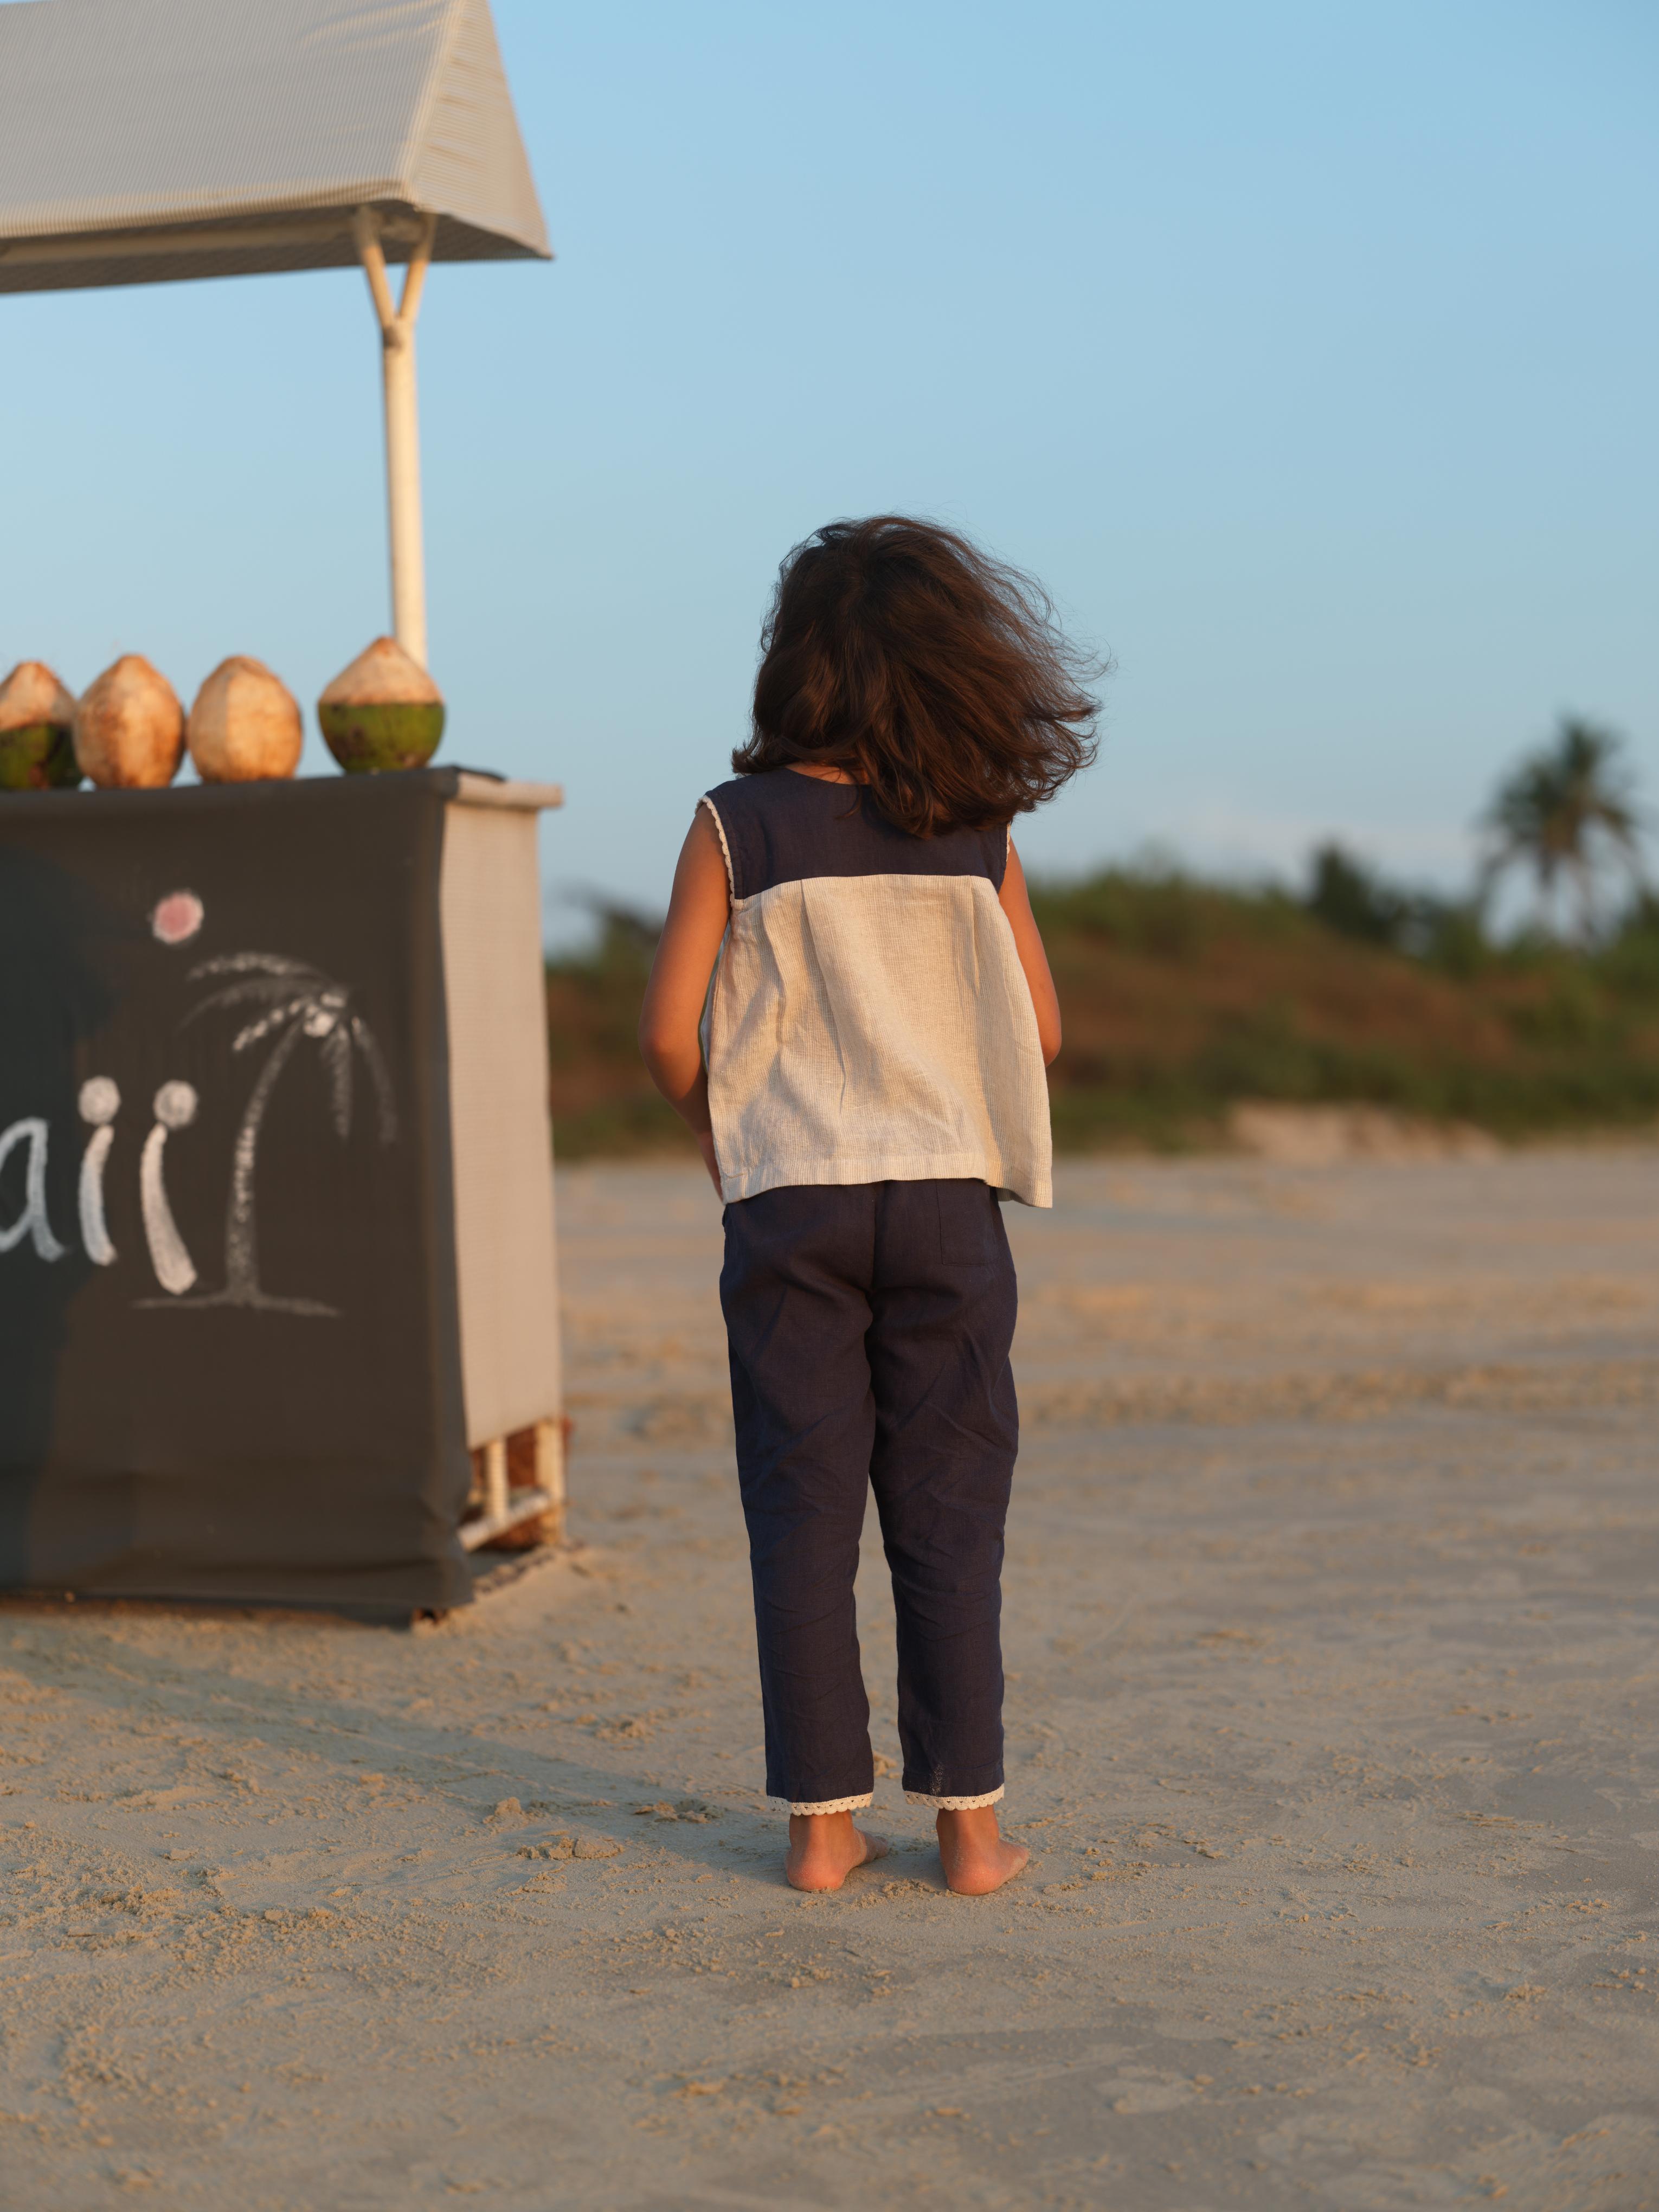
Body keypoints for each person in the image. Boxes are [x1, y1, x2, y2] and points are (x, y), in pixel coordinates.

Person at [639, 516, 1097, 1895]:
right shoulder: (975, 832)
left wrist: (728, 1135)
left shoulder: (735, 825)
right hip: (946, 1200)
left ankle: (823, 1832)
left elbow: (667, 1035)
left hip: (792, 1199)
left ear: (794, 664)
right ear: (951, 668)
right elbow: (1043, 1032)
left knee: (803, 1508)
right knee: (949, 1512)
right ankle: (970, 1833)